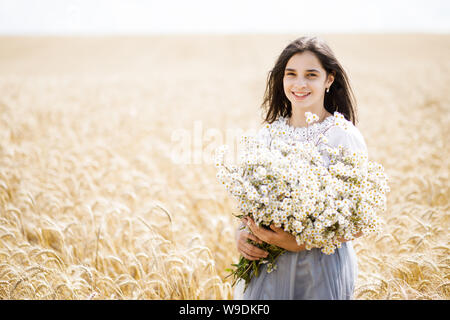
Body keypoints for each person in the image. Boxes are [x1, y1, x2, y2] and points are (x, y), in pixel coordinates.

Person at [234, 36, 367, 300]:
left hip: (320, 271)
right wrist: (241, 235)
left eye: (311, 75)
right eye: (291, 74)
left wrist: (299, 243)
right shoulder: (267, 136)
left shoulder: (342, 136)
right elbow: (248, 205)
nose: (300, 84)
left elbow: (360, 222)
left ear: (329, 79)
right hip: (267, 270)